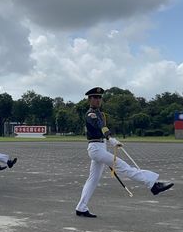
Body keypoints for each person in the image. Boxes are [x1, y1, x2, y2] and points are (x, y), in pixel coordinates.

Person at [75, 87, 174, 218]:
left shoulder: (100, 113)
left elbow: (102, 126)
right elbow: (100, 126)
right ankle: (153, 184)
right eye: (95, 98)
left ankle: (81, 208)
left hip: (100, 148)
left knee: (93, 179)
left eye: (100, 98)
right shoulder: (91, 114)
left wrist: (108, 141)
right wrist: (111, 139)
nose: (98, 100)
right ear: (90, 99)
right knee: (124, 167)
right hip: (96, 148)